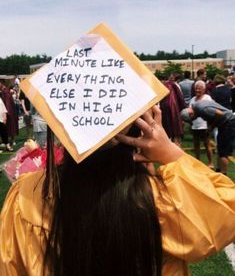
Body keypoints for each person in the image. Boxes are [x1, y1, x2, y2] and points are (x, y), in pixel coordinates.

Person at [1, 105, 235, 275]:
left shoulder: (28, 194)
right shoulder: (162, 198)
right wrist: (171, 153)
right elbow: (226, 208)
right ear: (139, 129)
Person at [181, 100, 235, 175]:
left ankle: (224, 176)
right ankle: (218, 172)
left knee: (223, 152)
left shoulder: (202, 109)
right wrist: (210, 128)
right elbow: (211, 115)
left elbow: (221, 114)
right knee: (220, 149)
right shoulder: (197, 106)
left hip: (228, 123)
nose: (194, 119)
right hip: (224, 124)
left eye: (192, 118)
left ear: (191, 114)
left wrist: (212, 126)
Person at [189, 80, 214, 168]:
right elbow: (190, 112)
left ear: (204, 89)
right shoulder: (192, 99)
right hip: (195, 125)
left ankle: (211, 163)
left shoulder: (207, 98)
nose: (198, 90)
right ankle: (198, 161)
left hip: (204, 125)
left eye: (200, 88)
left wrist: (209, 125)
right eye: (196, 88)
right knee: (196, 145)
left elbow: (211, 111)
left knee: (207, 144)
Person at [160, 72, 186, 146]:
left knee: (171, 135)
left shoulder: (171, 85)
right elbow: (181, 99)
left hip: (170, 112)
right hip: (170, 113)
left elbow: (180, 99)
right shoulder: (172, 85)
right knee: (173, 135)